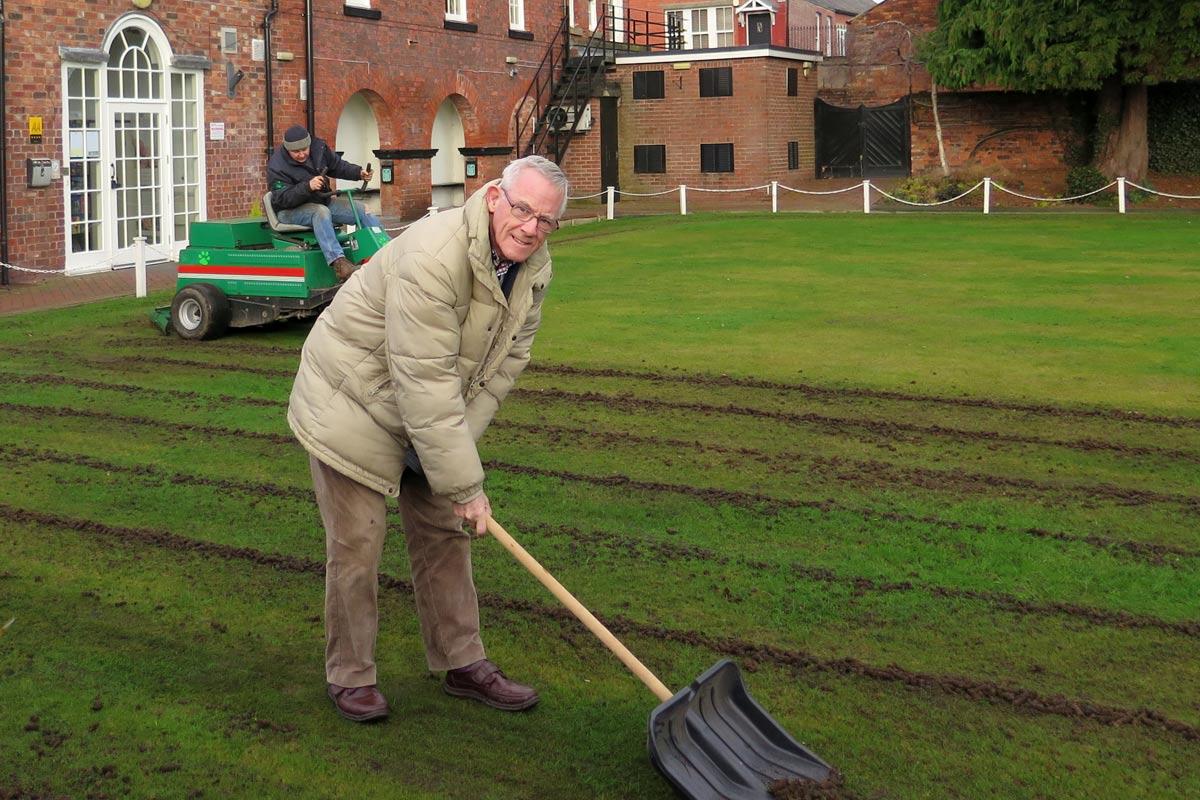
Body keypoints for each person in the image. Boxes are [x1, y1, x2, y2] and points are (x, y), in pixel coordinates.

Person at [287, 155, 569, 723]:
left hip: (424, 406)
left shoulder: (533, 269)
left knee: (445, 530)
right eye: (522, 210)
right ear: (493, 196)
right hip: (351, 399)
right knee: (358, 543)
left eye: (545, 220)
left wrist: (454, 467)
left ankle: (463, 663)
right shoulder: (435, 253)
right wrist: (465, 481)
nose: (530, 227)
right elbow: (425, 376)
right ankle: (351, 675)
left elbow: (502, 368)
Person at [267, 124, 380, 281]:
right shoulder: (277, 165)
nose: (301, 154)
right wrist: (308, 186)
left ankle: (385, 253)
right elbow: (281, 199)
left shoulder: (319, 148)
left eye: (304, 150)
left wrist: (359, 173)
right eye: (296, 152)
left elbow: (337, 165)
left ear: (309, 144)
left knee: (361, 210)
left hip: (320, 200)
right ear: (287, 149)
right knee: (320, 212)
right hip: (290, 211)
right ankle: (340, 264)